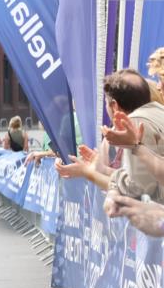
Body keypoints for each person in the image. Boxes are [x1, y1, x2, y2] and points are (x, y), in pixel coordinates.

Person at [56, 70, 164, 207]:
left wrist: (87, 172)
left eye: (106, 104)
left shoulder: (134, 122)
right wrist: (100, 168)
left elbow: (136, 190)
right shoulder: (158, 111)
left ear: (114, 105)